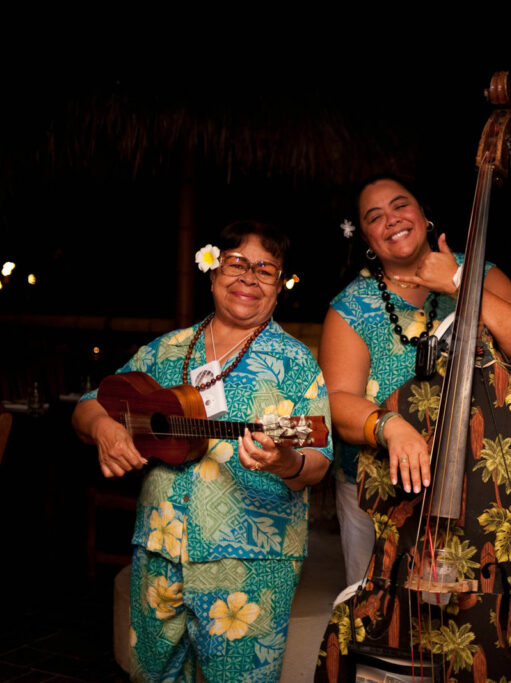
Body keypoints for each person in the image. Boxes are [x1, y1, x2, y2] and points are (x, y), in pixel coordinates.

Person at [72, 220, 332, 682]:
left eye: (265, 269)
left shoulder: (295, 361)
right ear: (212, 274)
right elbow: (90, 403)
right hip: (158, 549)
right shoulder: (166, 350)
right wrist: (103, 430)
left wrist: (286, 461)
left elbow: (319, 459)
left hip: (250, 564)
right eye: (236, 263)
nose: (249, 277)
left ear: (278, 288)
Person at [321, 175, 511, 585]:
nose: (391, 219)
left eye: (400, 206)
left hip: (482, 482)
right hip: (378, 492)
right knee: (381, 621)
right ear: (369, 240)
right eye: (375, 217)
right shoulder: (349, 307)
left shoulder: (481, 274)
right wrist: (391, 426)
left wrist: (459, 283)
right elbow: (336, 399)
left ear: (424, 217)